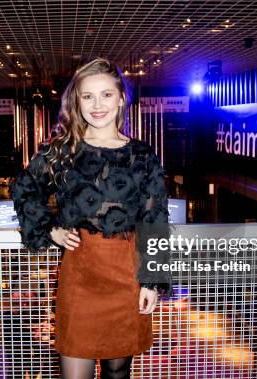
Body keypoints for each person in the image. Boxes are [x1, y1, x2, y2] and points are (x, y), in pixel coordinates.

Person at [11, 57, 172, 379]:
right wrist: (50, 229)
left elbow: (155, 218)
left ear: (121, 98)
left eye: (106, 95)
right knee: (74, 367)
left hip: (127, 273)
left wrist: (151, 280)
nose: (97, 105)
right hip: (81, 271)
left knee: (118, 371)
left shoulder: (142, 155)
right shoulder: (61, 151)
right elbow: (25, 189)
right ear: (77, 101)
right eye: (88, 96)